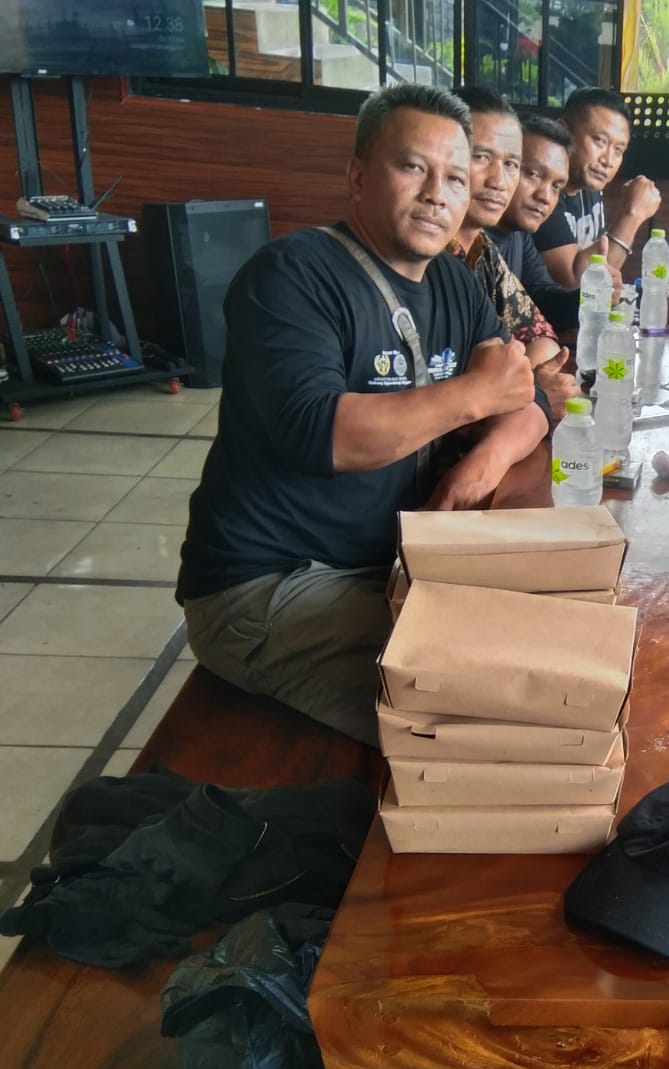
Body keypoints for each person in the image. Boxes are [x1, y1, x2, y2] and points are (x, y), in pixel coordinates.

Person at [177, 83, 545, 746]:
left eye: (454, 178)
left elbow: (529, 400)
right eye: (413, 167)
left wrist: (481, 463)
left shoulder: (453, 281)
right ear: (357, 176)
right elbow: (323, 434)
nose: (437, 194)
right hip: (270, 586)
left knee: (548, 633)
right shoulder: (290, 275)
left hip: (387, 562)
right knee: (493, 712)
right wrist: (475, 396)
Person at [450, 87, 578, 412]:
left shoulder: (484, 250)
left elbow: (539, 334)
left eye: (510, 164)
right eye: (481, 157)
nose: (498, 180)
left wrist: (529, 389)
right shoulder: (432, 257)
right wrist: (534, 395)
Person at [534, 87, 660, 289]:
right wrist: (632, 215)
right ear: (564, 132)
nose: (608, 160)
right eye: (599, 141)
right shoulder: (542, 194)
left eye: (618, 150)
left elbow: (601, 271)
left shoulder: (589, 185)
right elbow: (577, 284)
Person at [492, 113, 592, 333]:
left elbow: (543, 299)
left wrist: (591, 297)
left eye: (556, 186)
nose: (545, 196)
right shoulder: (469, 241)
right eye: (534, 174)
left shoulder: (520, 235)